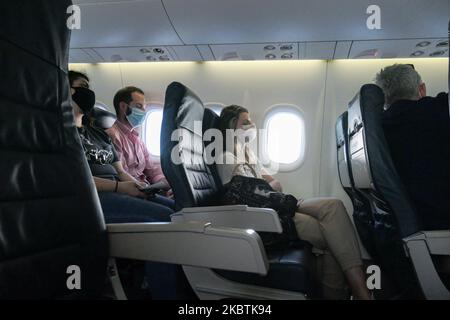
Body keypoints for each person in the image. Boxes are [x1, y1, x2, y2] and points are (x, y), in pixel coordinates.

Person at [216, 105, 372, 300]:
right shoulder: (225, 158)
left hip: (276, 204)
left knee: (334, 206)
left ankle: (354, 293)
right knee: (332, 234)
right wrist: (270, 190)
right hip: (263, 218)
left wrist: (270, 188)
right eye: (245, 122)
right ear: (232, 127)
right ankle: (357, 293)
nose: (252, 125)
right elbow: (234, 198)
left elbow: (271, 182)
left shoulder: (248, 153)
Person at [69, 72, 181, 299]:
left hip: (116, 189)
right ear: (65, 91)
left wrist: (140, 187)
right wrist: (120, 188)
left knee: (176, 212)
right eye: (81, 87)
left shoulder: (99, 133)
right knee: (163, 225)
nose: (87, 92)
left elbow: (120, 172)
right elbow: (74, 179)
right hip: (94, 198)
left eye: (89, 86)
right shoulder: (61, 134)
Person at [375, 64, 450, 230]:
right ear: (421, 89)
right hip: (441, 209)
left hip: (413, 208)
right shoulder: (439, 109)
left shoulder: (380, 124)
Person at [106, 86, 174, 209]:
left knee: (178, 203)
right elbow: (120, 174)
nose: (143, 111)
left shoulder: (137, 139)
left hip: (145, 189)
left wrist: (166, 185)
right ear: (123, 107)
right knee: (171, 210)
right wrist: (145, 188)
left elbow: (152, 170)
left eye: (144, 108)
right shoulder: (113, 135)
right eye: (138, 106)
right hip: (131, 192)